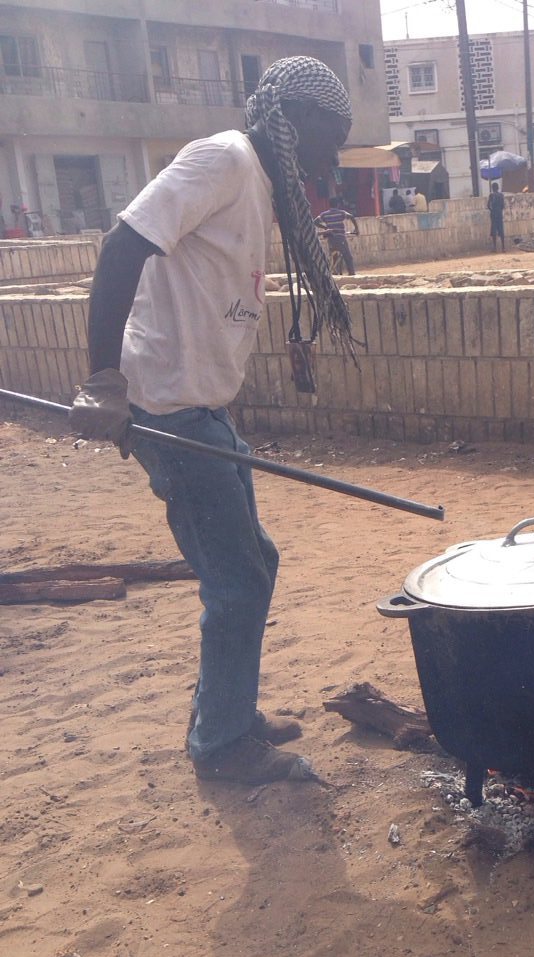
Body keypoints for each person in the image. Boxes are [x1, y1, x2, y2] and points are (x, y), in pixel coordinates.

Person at [67, 57, 357, 785]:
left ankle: (226, 715)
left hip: (201, 408)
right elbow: (123, 244)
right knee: (236, 579)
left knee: (254, 564)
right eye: (332, 137)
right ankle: (223, 747)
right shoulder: (222, 158)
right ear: (292, 120)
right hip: (169, 410)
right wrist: (104, 378)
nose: (334, 157)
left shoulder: (254, 181)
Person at [315, 197, 359, 274]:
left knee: (334, 256)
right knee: (347, 257)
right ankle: (352, 274)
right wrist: (356, 229)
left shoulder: (324, 214)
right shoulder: (341, 212)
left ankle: (336, 273)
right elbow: (351, 217)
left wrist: (325, 227)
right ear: (338, 204)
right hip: (340, 238)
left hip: (331, 239)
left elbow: (315, 222)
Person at [487, 181, 505, 251]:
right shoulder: (501, 195)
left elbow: (488, 205)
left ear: (492, 188)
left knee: (494, 231)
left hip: (494, 214)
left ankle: (495, 248)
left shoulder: (491, 195)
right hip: (499, 214)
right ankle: (503, 247)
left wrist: (492, 210)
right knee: (501, 230)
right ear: (498, 188)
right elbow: (503, 206)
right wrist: (499, 210)